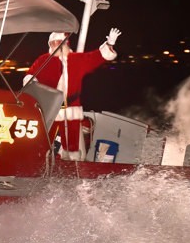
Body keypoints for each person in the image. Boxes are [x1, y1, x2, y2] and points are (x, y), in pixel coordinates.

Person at [23, 28, 121, 160]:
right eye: (53, 43)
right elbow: (30, 76)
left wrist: (109, 44)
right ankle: (40, 160)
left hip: (71, 106)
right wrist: (32, 84)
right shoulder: (43, 60)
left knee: (72, 142)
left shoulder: (77, 60)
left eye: (59, 42)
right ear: (49, 45)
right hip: (49, 106)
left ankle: (71, 164)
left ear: (65, 43)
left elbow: (97, 57)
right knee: (45, 137)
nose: (56, 45)